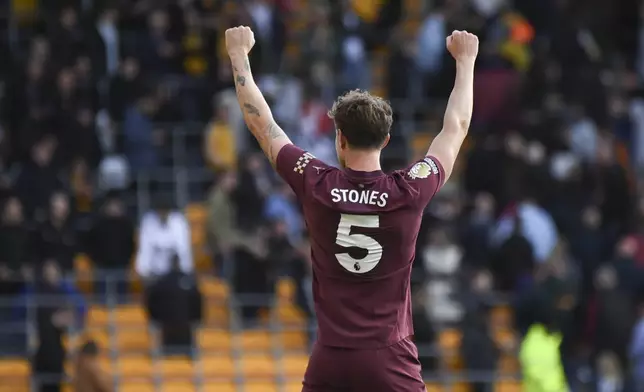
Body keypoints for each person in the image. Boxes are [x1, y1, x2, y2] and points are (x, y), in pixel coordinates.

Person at [224, 25, 478, 391]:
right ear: (386, 140)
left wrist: (238, 55)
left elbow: (263, 126)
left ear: (339, 139)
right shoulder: (409, 189)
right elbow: (456, 127)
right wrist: (466, 61)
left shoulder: (315, 181)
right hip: (390, 358)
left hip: (332, 358)